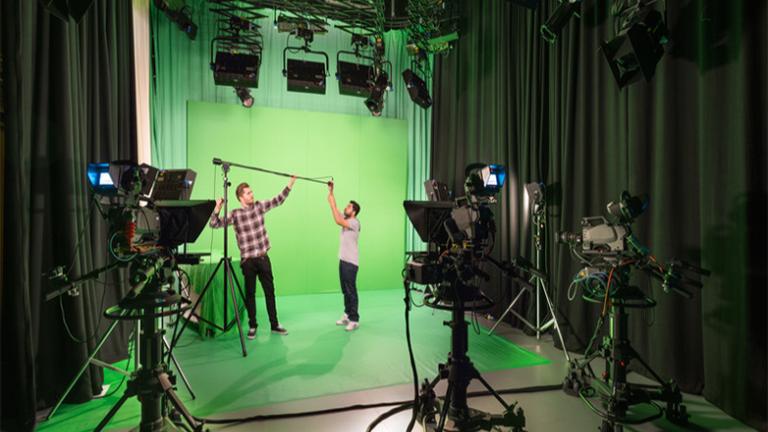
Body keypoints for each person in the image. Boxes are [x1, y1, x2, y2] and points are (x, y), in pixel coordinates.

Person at [210, 176, 296, 338]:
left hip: (263, 258)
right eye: (248, 193)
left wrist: (290, 184)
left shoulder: (259, 206)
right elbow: (214, 224)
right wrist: (217, 208)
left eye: (251, 192)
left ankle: (275, 324)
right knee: (250, 294)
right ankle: (252, 325)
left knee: (270, 292)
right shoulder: (235, 214)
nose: (252, 195)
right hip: (248, 261)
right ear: (241, 198)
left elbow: (278, 200)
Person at [327, 182, 361, 331]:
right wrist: (331, 191)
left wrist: (333, 206)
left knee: (351, 290)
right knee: (345, 290)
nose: (345, 208)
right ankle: (347, 314)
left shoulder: (354, 222)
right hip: (343, 261)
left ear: (353, 212)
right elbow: (334, 209)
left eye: (348, 207)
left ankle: (354, 319)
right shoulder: (347, 220)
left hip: (351, 263)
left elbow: (337, 220)